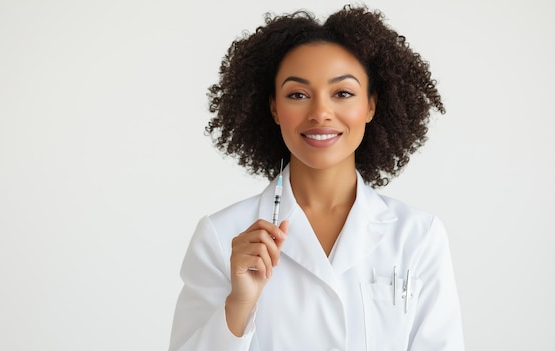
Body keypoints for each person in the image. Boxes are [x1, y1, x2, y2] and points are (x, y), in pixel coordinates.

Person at [169, 5, 464, 351]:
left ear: (371, 105)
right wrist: (240, 305)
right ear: (274, 108)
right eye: (297, 95)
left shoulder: (418, 236)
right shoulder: (221, 237)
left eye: (343, 93)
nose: (321, 113)